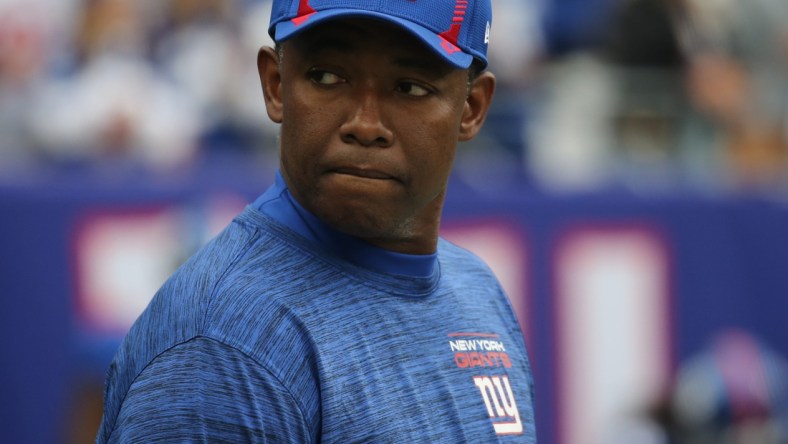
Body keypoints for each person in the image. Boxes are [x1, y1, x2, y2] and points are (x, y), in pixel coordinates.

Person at [96, 0, 537, 442]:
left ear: (472, 108)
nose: (365, 124)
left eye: (410, 87)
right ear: (275, 85)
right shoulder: (224, 344)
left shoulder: (477, 288)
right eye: (327, 77)